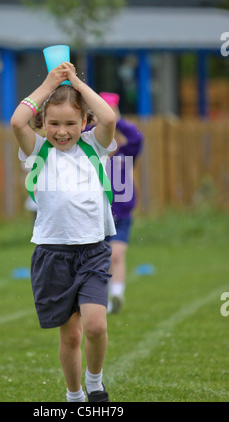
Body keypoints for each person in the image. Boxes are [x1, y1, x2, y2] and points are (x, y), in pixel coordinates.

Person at [10, 61, 117, 403]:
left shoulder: (94, 147)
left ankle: (95, 381)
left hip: (93, 251)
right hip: (53, 254)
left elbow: (109, 118)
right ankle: (74, 396)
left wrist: (75, 83)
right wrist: (48, 83)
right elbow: (17, 121)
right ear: (43, 123)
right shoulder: (38, 152)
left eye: (71, 123)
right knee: (70, 337)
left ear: (84, 122)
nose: (61, 131)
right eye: (53, 123)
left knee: (97, 325)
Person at [101, 93, 143, 314]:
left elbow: (136, 138)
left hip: (121, 216)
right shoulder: (93, 157)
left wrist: (117, 119)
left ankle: (116, 294)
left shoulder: (126, 154)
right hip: (97, 216)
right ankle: (103, 299)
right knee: (101, 259)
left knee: (116, 255)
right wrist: (100, 117)